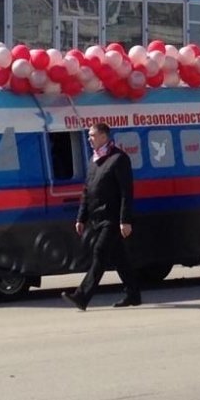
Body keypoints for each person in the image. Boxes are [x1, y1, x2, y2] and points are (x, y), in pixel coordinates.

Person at [62, 122, 141, 310]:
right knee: (120, 257)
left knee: (99, 251)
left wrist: (125, 220)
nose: (89, 139)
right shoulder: (93, 160)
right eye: (89, 136)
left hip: (112, 219)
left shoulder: (119, 159)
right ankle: (133, 294)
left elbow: (126, 192)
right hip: (98, 218)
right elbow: (87, 190)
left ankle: (82, 296)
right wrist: (81, 218)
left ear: (104, 137)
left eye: (92, 135)